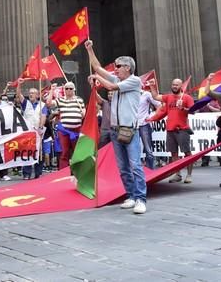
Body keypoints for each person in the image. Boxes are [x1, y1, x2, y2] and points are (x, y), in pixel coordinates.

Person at [85, 40, 147, 215]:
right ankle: (131, 195)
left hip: (130, 130)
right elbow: (97, 67)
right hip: (115, 129)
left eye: (118, 66)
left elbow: (110, 86)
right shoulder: (117, 78)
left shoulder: (134, 81)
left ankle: (141, 199)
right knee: (123, 167)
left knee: (135, 165)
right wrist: (90, 50)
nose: (115, 69)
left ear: (128, 67)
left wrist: (98, 79)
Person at [150, 79, 194, 182]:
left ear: (181, 86)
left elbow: (193, 111)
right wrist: (152, 86)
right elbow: (156, 97)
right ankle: (177, 174)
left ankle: (189, 175)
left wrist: (183, 108)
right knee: (174, 153)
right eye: (173, 84)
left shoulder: (187, 98)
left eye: (177, 85)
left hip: (182, 129)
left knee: (187, 152)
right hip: (170, 129)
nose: (174, 86)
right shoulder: (168, 97)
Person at [15, 80, 46, 179]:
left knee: (40, 152)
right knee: (27, 152)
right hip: (28, 132)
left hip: (38, 131)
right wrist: (19, 84)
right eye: (30, 93)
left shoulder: (42, 105)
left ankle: (38, 173)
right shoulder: (25, 103)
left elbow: (43, 116)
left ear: (37, 95)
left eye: (33, 93)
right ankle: (26, 173)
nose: (31, 94)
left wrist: (41, 128)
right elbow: (18, 94)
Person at [51, 81, 85, 170]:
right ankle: (63, 172)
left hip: (77, 129)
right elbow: (48, 103)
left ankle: (78, 170)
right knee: (64, 152)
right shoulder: (60, 99)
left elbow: (84, 114)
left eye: (71, 88)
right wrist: (52, 90)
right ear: (64, 90)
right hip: (64, 130)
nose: (69, 90)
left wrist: (82, 113)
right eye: (66, 88)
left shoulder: (79, 100)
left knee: (77, 152)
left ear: (74, 89)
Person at [137, 88, 161, 169]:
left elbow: (159, 105)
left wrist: (153, 117)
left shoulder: (146, 94)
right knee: (133, 149)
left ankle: (150, 170)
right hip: (133, 125)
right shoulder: (129, 94)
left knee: (148, 149)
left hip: (144, 125)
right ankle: (138, 171)